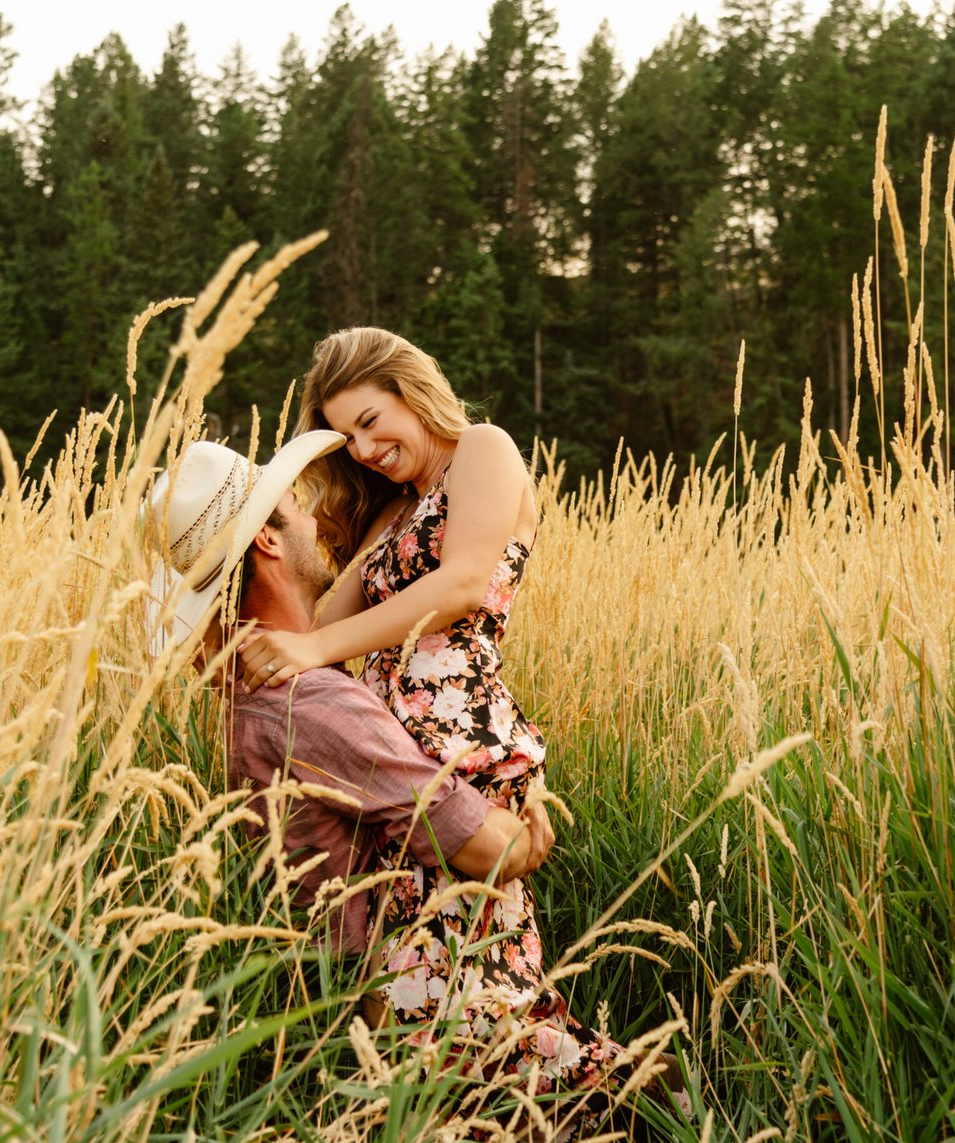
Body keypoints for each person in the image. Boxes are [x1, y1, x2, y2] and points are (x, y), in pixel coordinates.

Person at [236, 328, 628, 1118]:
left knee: (470, 993)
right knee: (429, 997)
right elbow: (317, 615)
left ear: (413, 391)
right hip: (389, 761)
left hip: (459, 743)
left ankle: (624, 1096)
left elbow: (459, 584)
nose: (368, 447)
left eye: (376, 420)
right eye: (349, 436)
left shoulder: (482, 450)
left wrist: (310, 647)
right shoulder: (392, 513)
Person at [144, 434, 554, 1003]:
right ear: (267, 539)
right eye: (295, 507)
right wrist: (528, 825)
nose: (313, 521)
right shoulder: (310, 704)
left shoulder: (248, 687)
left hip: (344, 997)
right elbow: (491, 850)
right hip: (409, 1011)